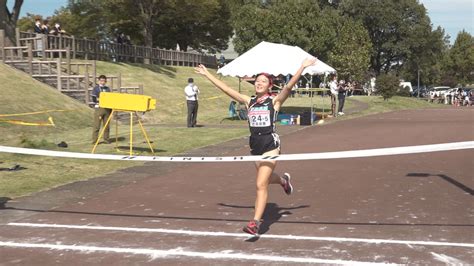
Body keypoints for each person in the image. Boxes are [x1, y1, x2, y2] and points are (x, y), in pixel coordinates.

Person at [194, 57, 317, 235]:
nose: (259, 83)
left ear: (269, 86)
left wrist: (302, 68)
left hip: (270, 145)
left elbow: (288, 87)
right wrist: (207, 74)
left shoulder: (274, 102)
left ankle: (255, 223)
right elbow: (226, 89)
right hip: (255, 147)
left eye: (263, 81)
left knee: (260, 184)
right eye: (257, 81)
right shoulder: (248, 101)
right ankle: (283, 181)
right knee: (266, 179)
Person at [91, 75, 112, 144]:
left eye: (104, 81)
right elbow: (94, 99)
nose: (103, 82)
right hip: (99, 108)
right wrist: (101, 99)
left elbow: (110, 98)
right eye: (101, 80)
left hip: (107, 109)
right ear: (99, 81)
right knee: (97, 125)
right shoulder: (96, 88)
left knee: (106, 125)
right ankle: (95, 140)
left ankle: (106, 139)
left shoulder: (107, 89)